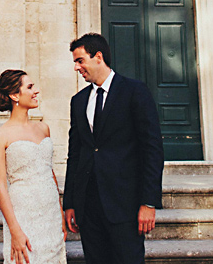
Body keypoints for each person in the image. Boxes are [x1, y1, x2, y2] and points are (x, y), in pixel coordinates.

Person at [63, 33, 164, 264]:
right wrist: (69, 203)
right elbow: (75, 155)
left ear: (98, 57)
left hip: (125, 205)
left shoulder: (135, 91)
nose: (77, 68)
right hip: (88, 207)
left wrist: (148, 203)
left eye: (80, 61)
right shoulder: (78, 101)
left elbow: (152, 150)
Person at [0, 69, 67, 264]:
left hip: (50, 212)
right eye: (30, 87)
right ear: (15, 95)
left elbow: (50, 174)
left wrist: (61, 214)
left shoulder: (43, 128)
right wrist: (15, 230)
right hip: (24, 212)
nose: (36, 91)